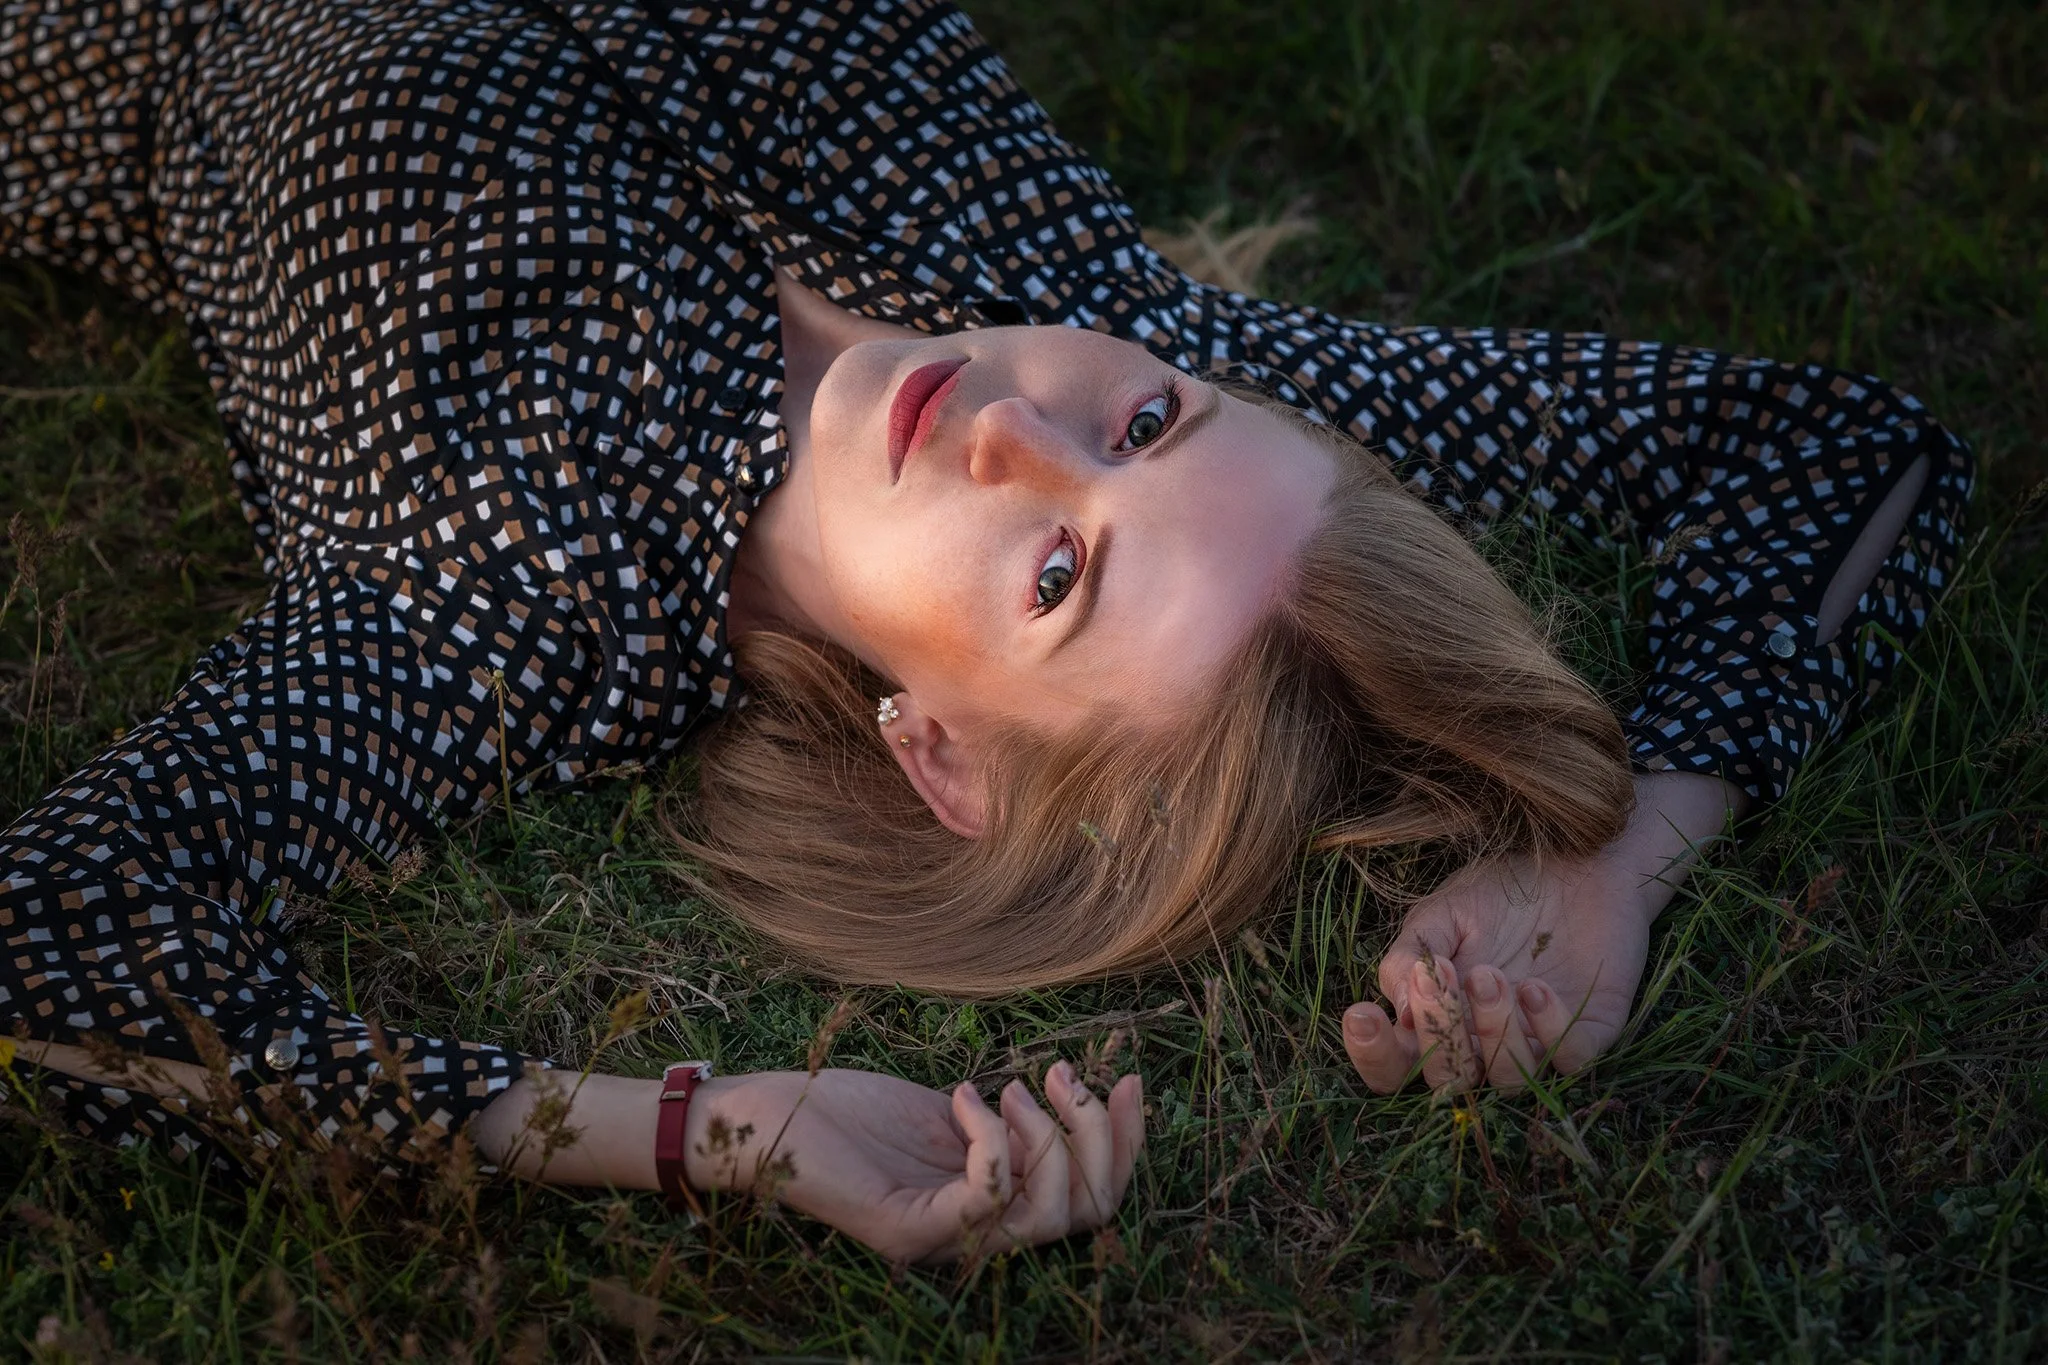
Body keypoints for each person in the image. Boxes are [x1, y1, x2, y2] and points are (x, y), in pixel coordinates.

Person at [0, 0, 1969, 1250]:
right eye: (1140, 427)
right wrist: (1625, 843)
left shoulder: (501, 591)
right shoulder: (1121, 318)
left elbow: (58, 957)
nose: (1019, 427)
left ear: (934, 748)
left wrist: (698, 1124)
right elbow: (1841, 445)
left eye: (1053, 581)